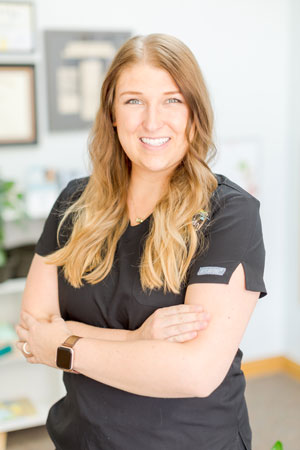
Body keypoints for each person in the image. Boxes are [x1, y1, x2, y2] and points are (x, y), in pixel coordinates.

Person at [16, 33, 267, 450]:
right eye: (134, 101)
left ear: (194, 113)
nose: (153, 122)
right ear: (112, 114)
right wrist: (136, 341)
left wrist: (62, 345)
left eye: (172, 100)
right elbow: (31, 333)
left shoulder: (229, 213)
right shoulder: (73, 203)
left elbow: (195, 371)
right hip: (83, 438)